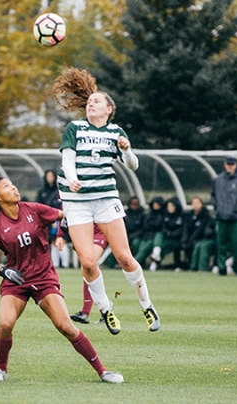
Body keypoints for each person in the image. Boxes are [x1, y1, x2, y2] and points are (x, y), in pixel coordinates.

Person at [0, 176, 123, 384]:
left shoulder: (34, 209)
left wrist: (64, 232)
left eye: (13, 184)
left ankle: (103, 371)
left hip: (44, 278)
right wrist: (3, 271)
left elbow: (65, 216)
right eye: (7, 187)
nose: (14, 188)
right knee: (5, 325)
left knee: (66, 327)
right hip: (15, 281)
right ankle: (1, 370)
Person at [52, 67, 159, 334]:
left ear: (109, 109)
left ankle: (146, 305)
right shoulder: (74, 128)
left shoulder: (116, 132)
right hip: (77, 202)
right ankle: (106, 309)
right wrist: (73, 178)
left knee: (124, 257)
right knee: (88, 263)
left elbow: (132, 165)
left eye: (97, 101)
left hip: (106, 200)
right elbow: (67, 158)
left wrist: (127, 149)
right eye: (89, 102)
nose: (91, 105)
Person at [58, 222, 108, 325]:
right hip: (80, 234)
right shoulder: (69, 205)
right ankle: (106, 309)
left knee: (89, 266)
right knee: (87, 269)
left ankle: (87, 312)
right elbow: (63, 215)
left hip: (98, 231)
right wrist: (59, 235)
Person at [211, 156, 237, 275]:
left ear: (236, 165)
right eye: (228, 164)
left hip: (236, 218)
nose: (230, 166)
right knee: (221, 245)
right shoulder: (218, 179)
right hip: (221, 217)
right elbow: (213, 195)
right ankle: (221, 268)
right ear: (224, 165)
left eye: (232, 164)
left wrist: (236, 210)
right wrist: (217, 208)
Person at [37, 170, 68, 268]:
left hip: (63, 222)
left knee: (63, 241)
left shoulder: (62, 194)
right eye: (48, 176)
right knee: (53, 243)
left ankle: (65, 264)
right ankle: (55, 264)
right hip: (49, 223)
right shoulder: (42, 192)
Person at [148, 197, 184, 271]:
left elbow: (182, 229)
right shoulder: (165, 215)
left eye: (171, 206)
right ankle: (156, 256)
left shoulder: (181, 216)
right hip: (167, 238)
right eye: (168, 206)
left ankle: (176, 265)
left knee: (173, 246)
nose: (169, 208)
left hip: (177, 239)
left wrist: (171, 233)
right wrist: (168, 233)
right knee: (159, 235)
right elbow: (163, 227)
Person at [133, 196, 165, 267]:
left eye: (158, 205)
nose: (156, 206)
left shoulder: (163, 215)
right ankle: (136, 263)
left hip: (154, 237)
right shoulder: (147, 215)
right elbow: (144, 226)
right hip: (146, 236)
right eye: (155, 204)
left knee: (144, 249)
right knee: (137, 244)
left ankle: (134, 264)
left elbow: (158, 226)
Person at [181, 197, 211, 270]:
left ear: (201, 204)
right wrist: (185, 239)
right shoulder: (190, 215)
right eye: (194, 203)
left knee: (197, 245)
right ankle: (189, 264)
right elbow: (186, 228)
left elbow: (201, 229)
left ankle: (196, 266)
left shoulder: (205, 214)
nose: (196, 205)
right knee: (185, 245)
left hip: (201, 238)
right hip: (191, 237)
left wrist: (192, 239)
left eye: (197, 203)